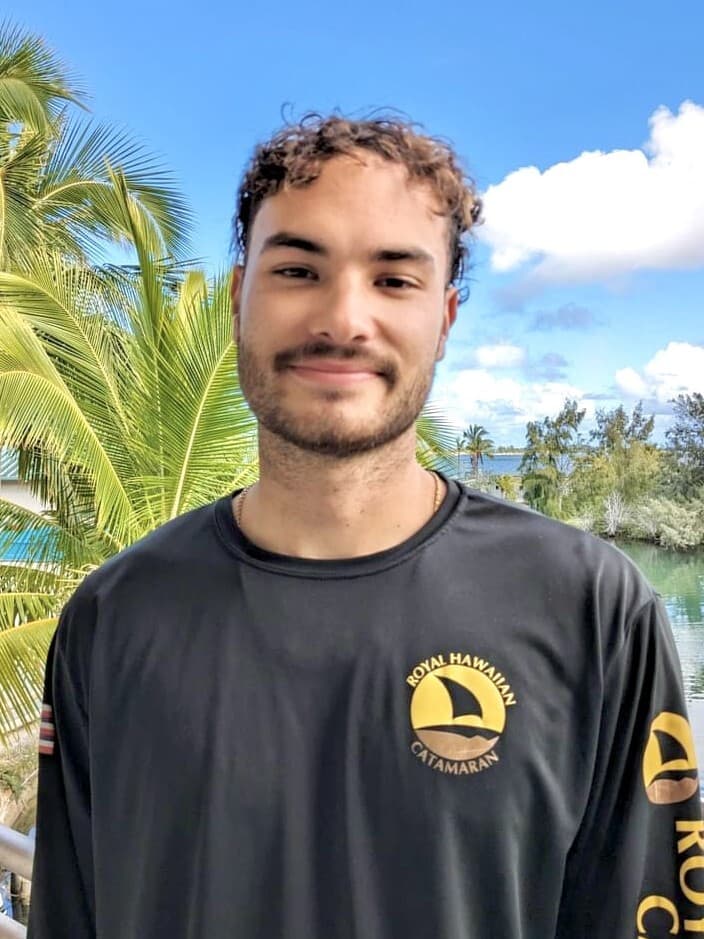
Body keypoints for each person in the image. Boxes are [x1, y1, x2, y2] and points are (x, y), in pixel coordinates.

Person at [28, 113, 703, 939]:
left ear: (446, 318)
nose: (344, 318)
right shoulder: (114, 617)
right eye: (299, 268)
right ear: (241, 296)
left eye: (394, 280)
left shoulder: (594, 612)